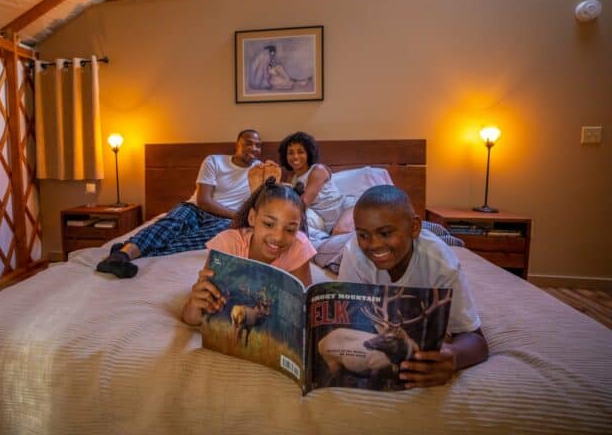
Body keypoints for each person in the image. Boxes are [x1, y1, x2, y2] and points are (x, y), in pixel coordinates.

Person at [337, 184, 489, 388]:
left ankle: (439, 231)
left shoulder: (441, 263)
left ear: (414, 227)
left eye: (385, 233)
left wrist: (453, 357)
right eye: (363, 235)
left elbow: (477, 341)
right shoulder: (354, 252)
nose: (373, 245)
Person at [97, 129, 265, 279]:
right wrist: (236, 216)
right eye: (248, 143)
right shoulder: (214, 161)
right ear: (237, 145)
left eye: (258, 146)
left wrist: (267, 179)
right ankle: (120, 257)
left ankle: (128, 250)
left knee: (193, 241)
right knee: (169, 225)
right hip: (196, 209)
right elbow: (204, 201)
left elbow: (265, 203)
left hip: (224, 220)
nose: (253, 148)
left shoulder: (261, 172)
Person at [182, 177, 316, 326]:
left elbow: (304, 308)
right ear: (252, 218)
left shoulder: (299, 246)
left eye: (290, 229)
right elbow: (191, 318)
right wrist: (195, 303)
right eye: (268, 224)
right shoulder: (227, 245)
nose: (278, 237)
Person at [278, 131, 354, 239]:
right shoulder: (292, 178)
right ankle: (324, 238)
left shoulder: (318, 170)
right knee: (294, 224)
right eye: (290, 153)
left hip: (343, 210)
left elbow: (303, 202)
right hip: (322, 221)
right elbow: (290, 204)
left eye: (300, 152)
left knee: (339, 232)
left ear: (308, 153)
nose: (295, 156)